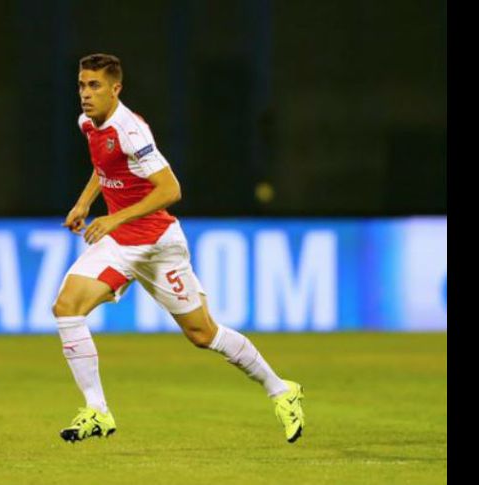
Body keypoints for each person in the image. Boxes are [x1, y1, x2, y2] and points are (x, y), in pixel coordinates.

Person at [53, 53, 305, 444]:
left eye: (95, 85)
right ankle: (97, 411)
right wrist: (85, 202)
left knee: (203, 334)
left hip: (157, 245)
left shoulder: (132, 131)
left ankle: (281, 389)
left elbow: (171, 190)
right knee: (67, 308)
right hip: (121, 244)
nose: (86, 94)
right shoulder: (87, 122)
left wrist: (115, 218)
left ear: (116, 88)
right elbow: (106, 168)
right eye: (82, 85)